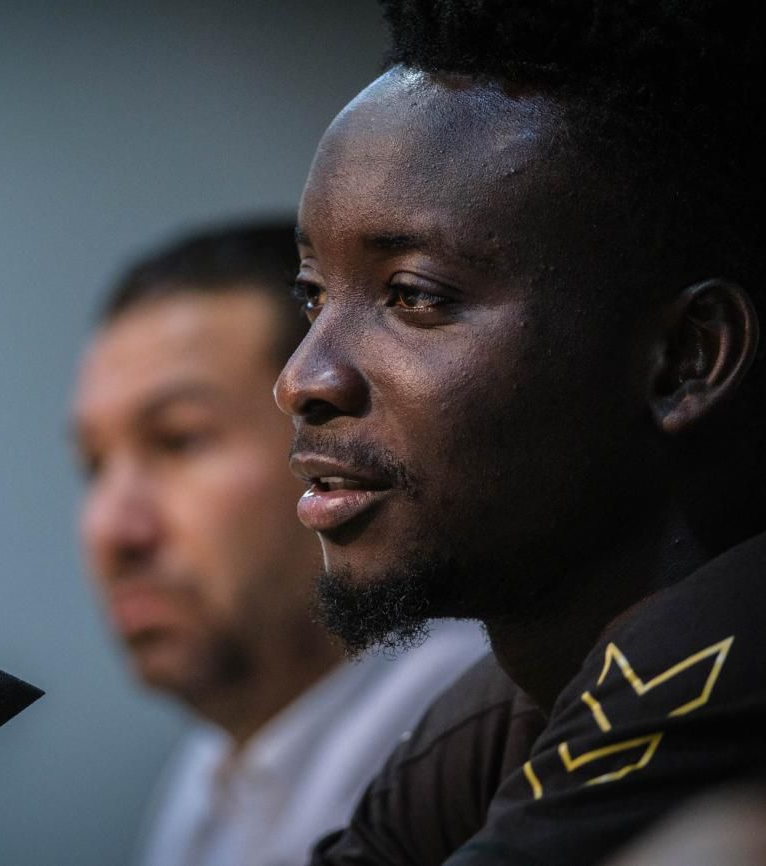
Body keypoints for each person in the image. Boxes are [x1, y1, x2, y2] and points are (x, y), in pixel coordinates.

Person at [272, 1, 766, 863]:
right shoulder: (498, 705)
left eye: (413, 295)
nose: (303, 379)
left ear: (686, 359)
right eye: (315, 296)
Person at [71, 221, 488, 866]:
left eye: (179, 440)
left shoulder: (479, 730)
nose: (113, 529)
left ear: (331, 444)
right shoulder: (212, 764)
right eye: (94, 464)